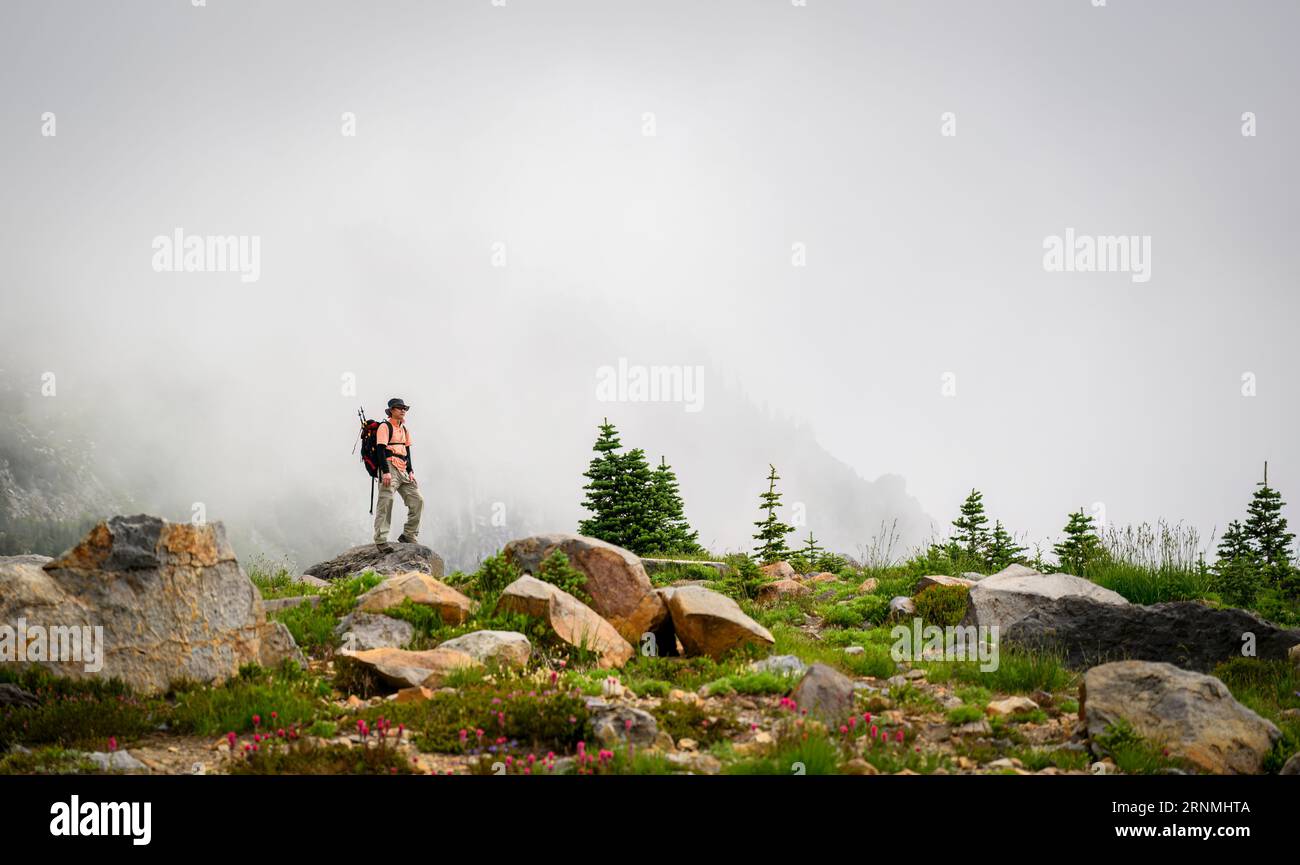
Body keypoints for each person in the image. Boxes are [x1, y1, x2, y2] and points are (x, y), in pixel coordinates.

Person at [373, 397, 423, 549]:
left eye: (404, 408)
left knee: (417, 500)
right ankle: (381, 540)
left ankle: (409, 534)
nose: (403, 410)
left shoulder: (404, 428)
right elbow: (380, 450)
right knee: (386, 501)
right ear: (392, 410)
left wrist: (411, 471)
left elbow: (407, 451)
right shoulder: (385, 426)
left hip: (403, 468)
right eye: (400, 408)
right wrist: (386, 472)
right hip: (389, 466)